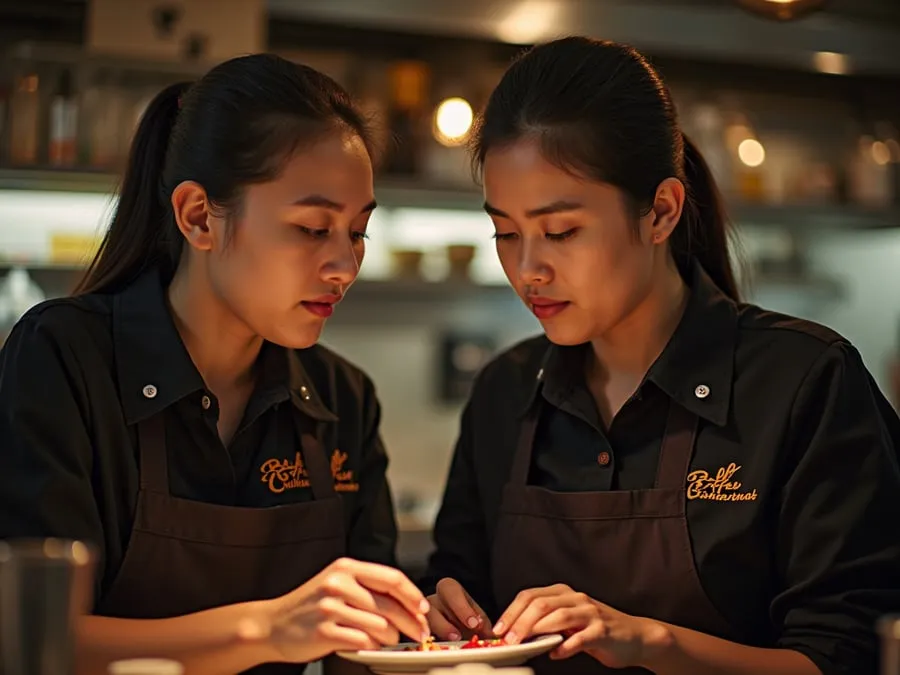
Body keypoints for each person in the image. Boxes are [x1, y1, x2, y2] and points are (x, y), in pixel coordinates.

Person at [422, 37, 900, 675]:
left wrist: (650, 643)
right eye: (506, 233)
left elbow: (849, 658)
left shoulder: (805, 382)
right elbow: (461, 600)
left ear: (661, 212)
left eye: (561, 231)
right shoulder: (505, 392)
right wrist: (445, 616)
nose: (527, 268)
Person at [0, 54, 430, 675]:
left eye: (357, 232)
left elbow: (363, 650)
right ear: (198, 215)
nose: (344, 265)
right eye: (313, 228)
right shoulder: (64, 359)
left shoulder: (342, 396)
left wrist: (420, 627)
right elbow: (33, 637)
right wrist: (268, 629)